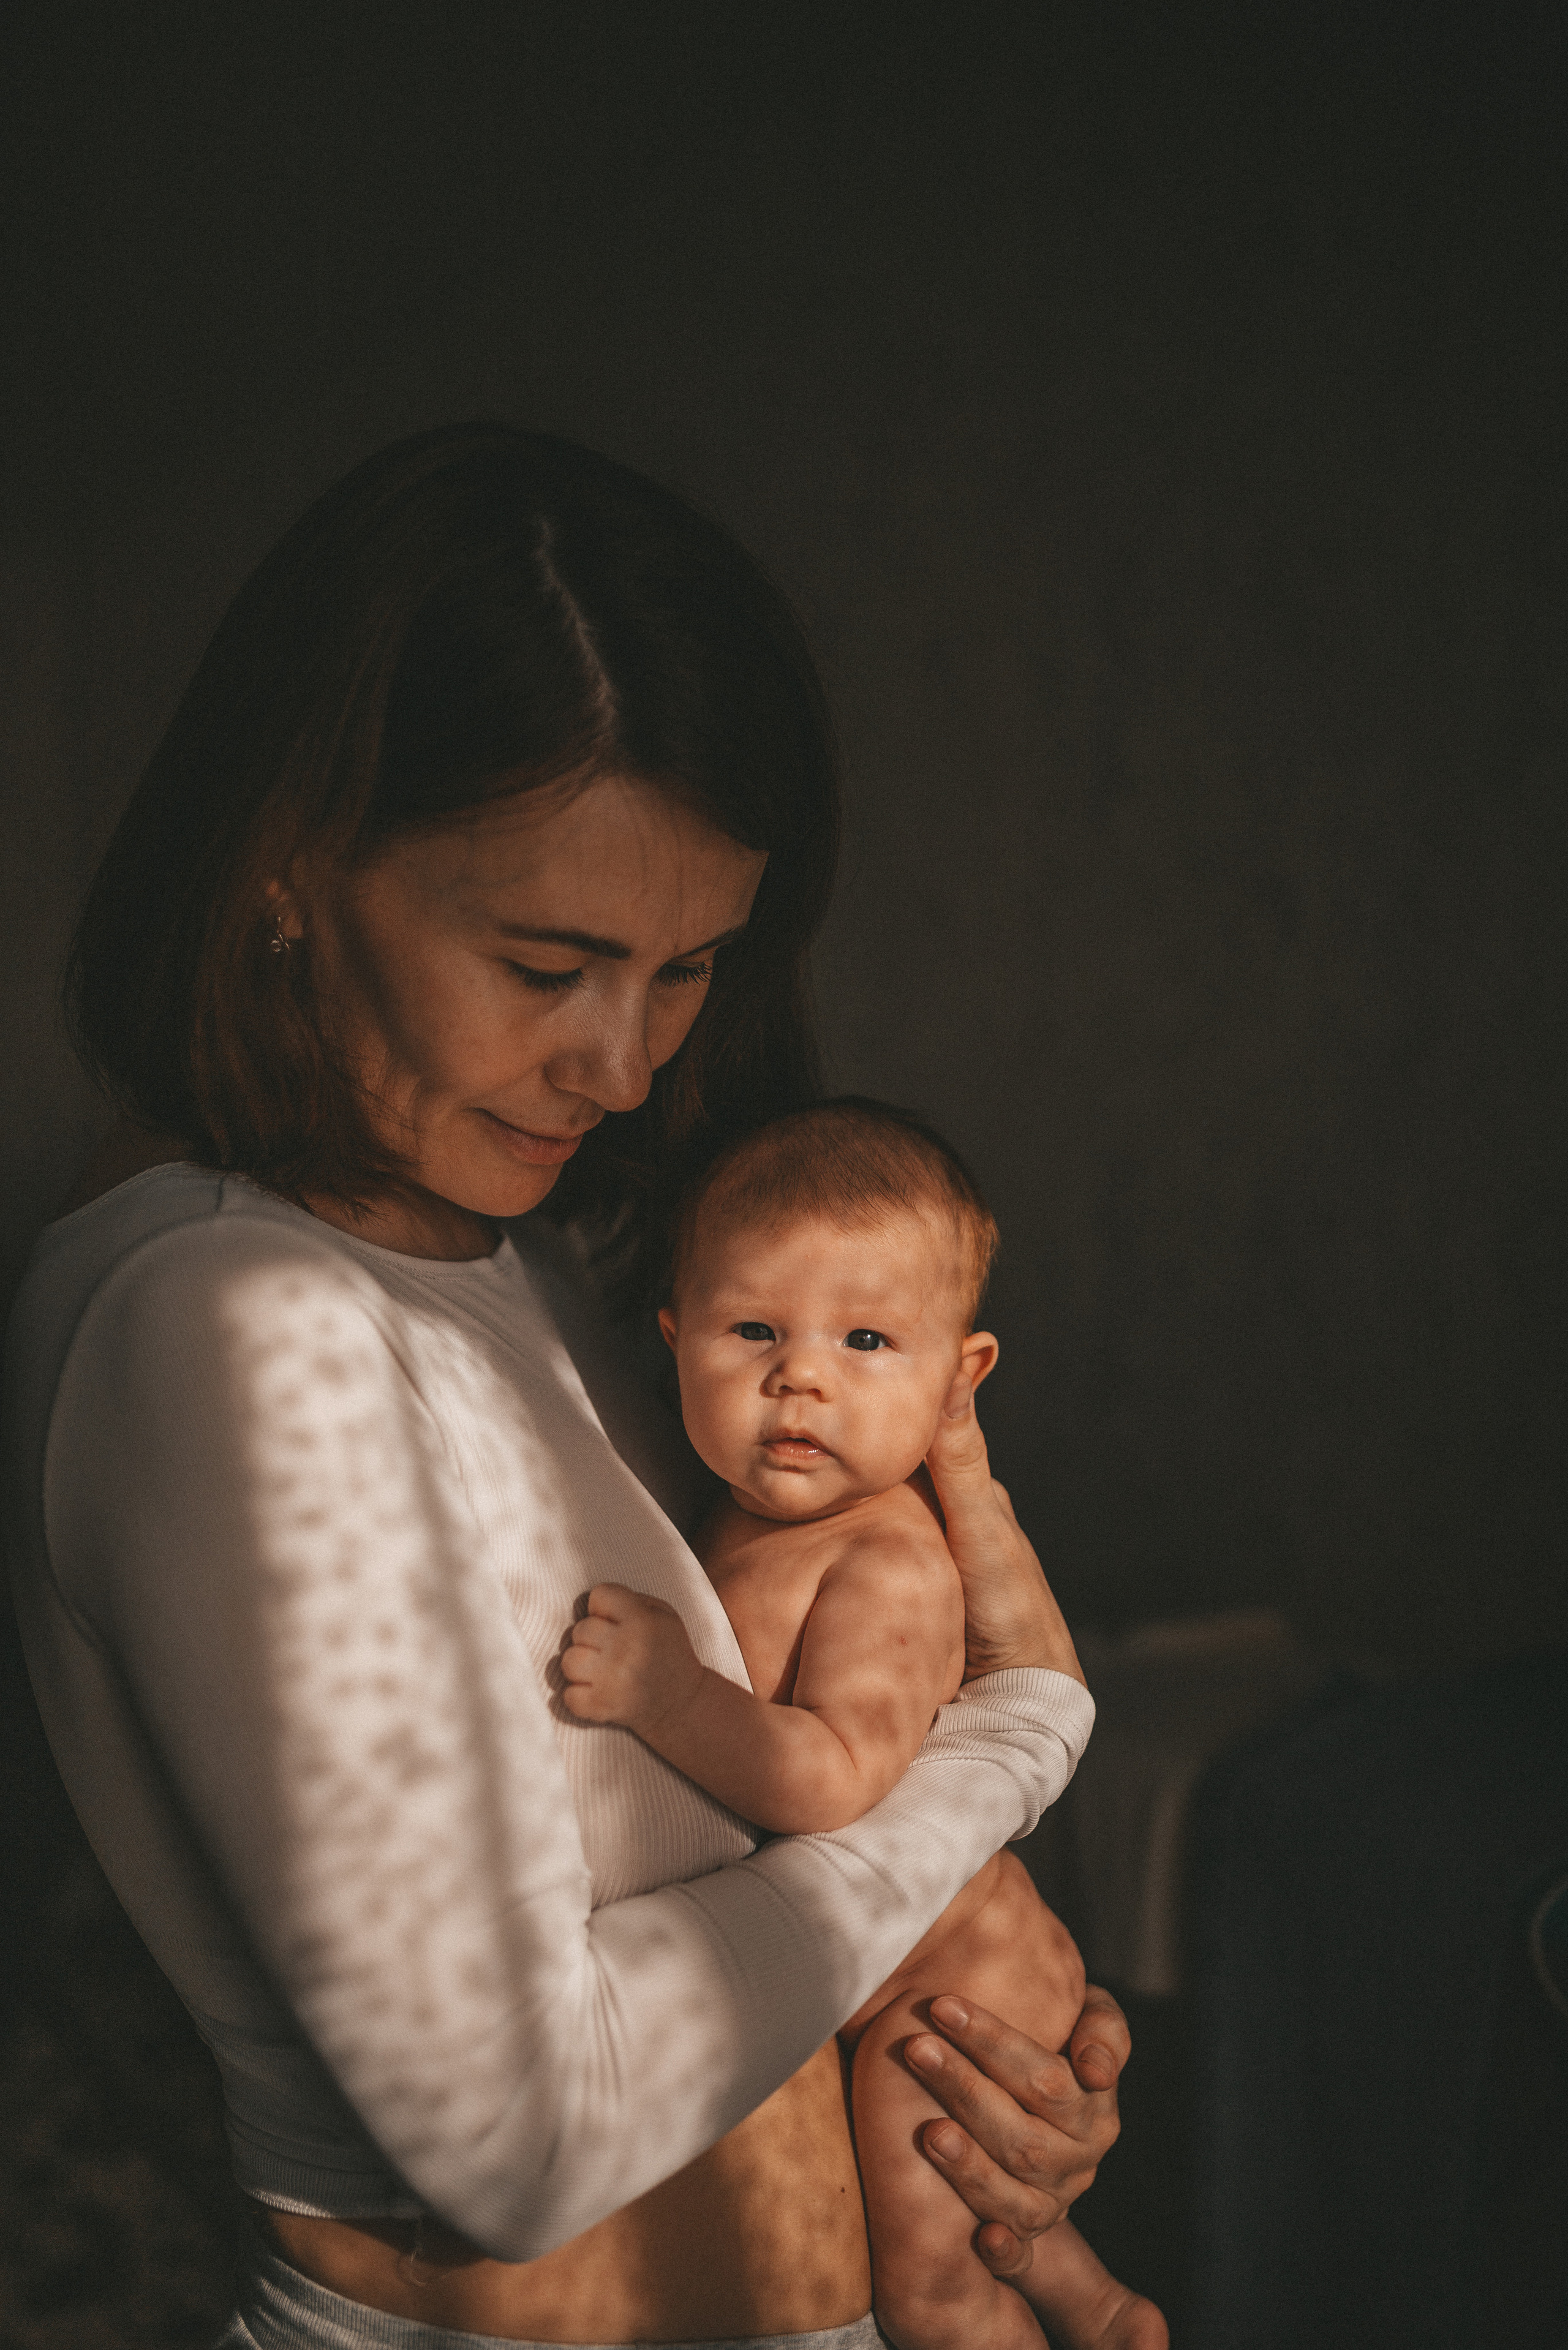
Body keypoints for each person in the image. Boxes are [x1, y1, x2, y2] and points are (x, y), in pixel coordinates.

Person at [2, 423, 1128, 2350]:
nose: (622, 1064)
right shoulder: (228, 1325)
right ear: (289, 860)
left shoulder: (506, 1259)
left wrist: (976, 2044)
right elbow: (519, 2138)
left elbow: (732, 1891)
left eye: (689, 966)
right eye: (547, 962)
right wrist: (1001, 1759)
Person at [564, 1099, 1167, 2350]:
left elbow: (836, 1776)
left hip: (944, 1983)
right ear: (672, 1340)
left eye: (867, 1338)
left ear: (961, 1377)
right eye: (750, 1331)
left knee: (932, 2289)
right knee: (971, 2219)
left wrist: (673, 1694)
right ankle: (1095, 2307)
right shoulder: (736, 1513)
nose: (801, 1375)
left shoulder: (886, 1558)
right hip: (880, 1972)